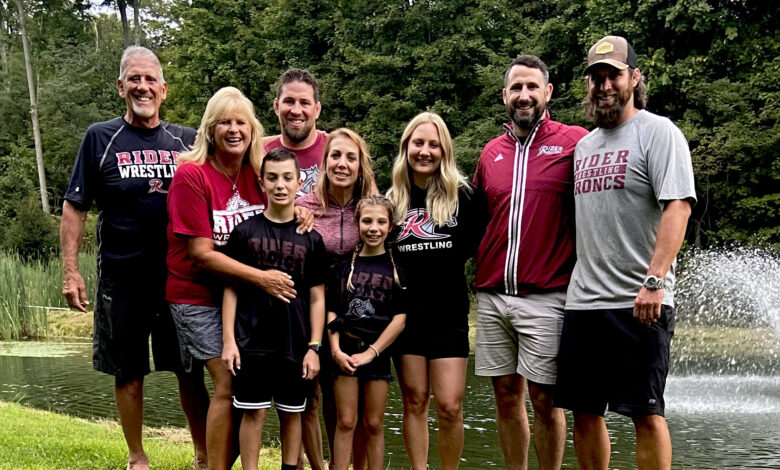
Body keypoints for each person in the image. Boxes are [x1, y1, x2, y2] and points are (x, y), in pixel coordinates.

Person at [60, 46, 209, 470]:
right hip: (121, 279)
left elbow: (228, 178)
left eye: (150, 80)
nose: (142, 86)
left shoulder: (187, 140)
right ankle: (137, 456)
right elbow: (75, 206)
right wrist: (71, 271)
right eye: (134, 78)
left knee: (189, 369)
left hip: (180, 278)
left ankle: (202, 455)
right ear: (121, 87)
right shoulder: (100, 138)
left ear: (164, 89)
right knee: (128, 371)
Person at [555, 35, 695, 470]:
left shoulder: (658, 132)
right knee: (584, 412)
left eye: (613, 75)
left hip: (641, 302)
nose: (604, 85)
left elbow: (678, 205)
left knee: (646, 413)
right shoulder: (583, 147)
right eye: (595, 77)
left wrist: (655, 281)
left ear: (633, 78)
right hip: (584, 303)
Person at [166, 87, 311, 470]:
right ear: (210, 129)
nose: (233, 130)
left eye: (241, 122)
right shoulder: (191, 175)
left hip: (246, 301)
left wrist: (304, 213)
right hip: (196, 295)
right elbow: (201, 253)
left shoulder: (255, 172)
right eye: (224, 122)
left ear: (252, 128)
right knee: (228, 383)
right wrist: (262, 278)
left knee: (249, 392)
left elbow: (282, 202)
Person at [472, 54, 588, 470]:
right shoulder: (490, 153)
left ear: (547, 92)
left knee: (545, 398)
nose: (524, 95)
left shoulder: (575, 141)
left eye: (532, 87)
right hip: (493, 295)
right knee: (505, 394)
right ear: (505, 95)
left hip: (547, 294)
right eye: (516, 88)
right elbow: (478, 219)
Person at [221, 147, 328, 470]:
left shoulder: (311, 239)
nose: (280, 185)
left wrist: (315, 348)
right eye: (272, 178)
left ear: (299, 184)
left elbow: (317, 297)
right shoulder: (244, 232)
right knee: (253, 413)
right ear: (261, 183)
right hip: (252, 343)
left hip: (295, 345)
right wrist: (229, 341)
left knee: (292, 414)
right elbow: (231, 289)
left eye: (287, 178)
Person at [386, 112, 482, 470]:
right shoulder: (391, 200)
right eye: (418, 143)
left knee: (450, 405)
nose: (425, 151)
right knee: (414, 401)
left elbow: (482, 248)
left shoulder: (465, 196)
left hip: (449, 315)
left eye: (433, 144)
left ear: (444, 150)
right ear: (406, 147)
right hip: (406, 317)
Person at [295, 128, 376, 468]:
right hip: (309, 311)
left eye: (350, 157)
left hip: (357, 318)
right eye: (335, 156)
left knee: (349, 409)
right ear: (325, 162)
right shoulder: (304, 205)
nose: (342, 164)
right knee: (309, 397)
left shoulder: (372, 206)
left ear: (361, 166)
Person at [326, 195, 407, 470]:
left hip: (377, 354)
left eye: (381, 221)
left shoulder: (397, 270)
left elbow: (399, 319)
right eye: (367, 221)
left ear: (390, 225)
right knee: (346, 421)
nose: (374, 228)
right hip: (346, 352)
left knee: (373, 423)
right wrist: (336, 351)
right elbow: (333, 312)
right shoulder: (344, 268)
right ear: (357, 223)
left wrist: (372, 353)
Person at [264, 68, 327, 196]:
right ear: (276, 106)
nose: (296, 111)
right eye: (289, 101)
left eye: (304, 103)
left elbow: (371, 206)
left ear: (317, 109)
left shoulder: (339, 152)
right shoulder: (259, 152)